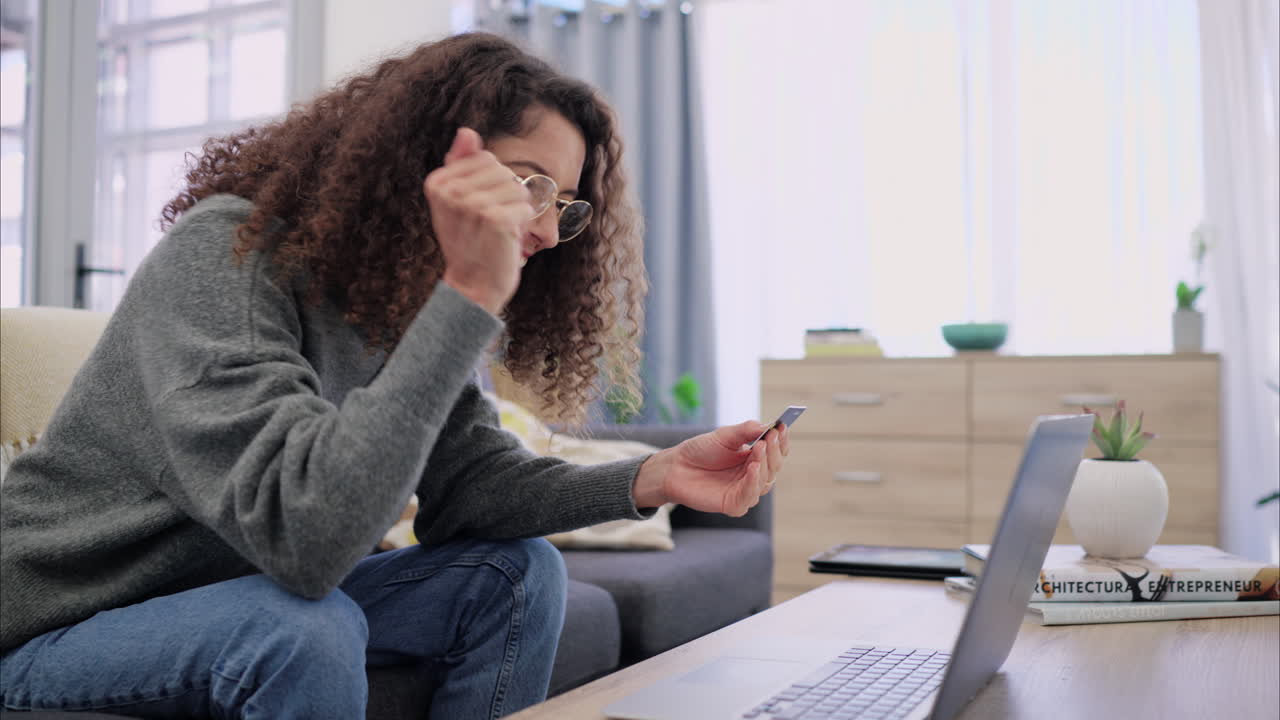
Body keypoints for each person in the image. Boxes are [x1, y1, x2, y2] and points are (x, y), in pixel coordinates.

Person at [0, 32, 789, 720]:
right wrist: (469, 295)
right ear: (428, 158)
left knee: (516, 575)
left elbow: (474, 487)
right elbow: (309, 542)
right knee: (302, 627)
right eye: (532, 184)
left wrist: (657, 475)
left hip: (225, 600)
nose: (550, 228)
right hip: (62, 625)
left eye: (568, 204)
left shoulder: (394, 297)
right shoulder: (226, 258)